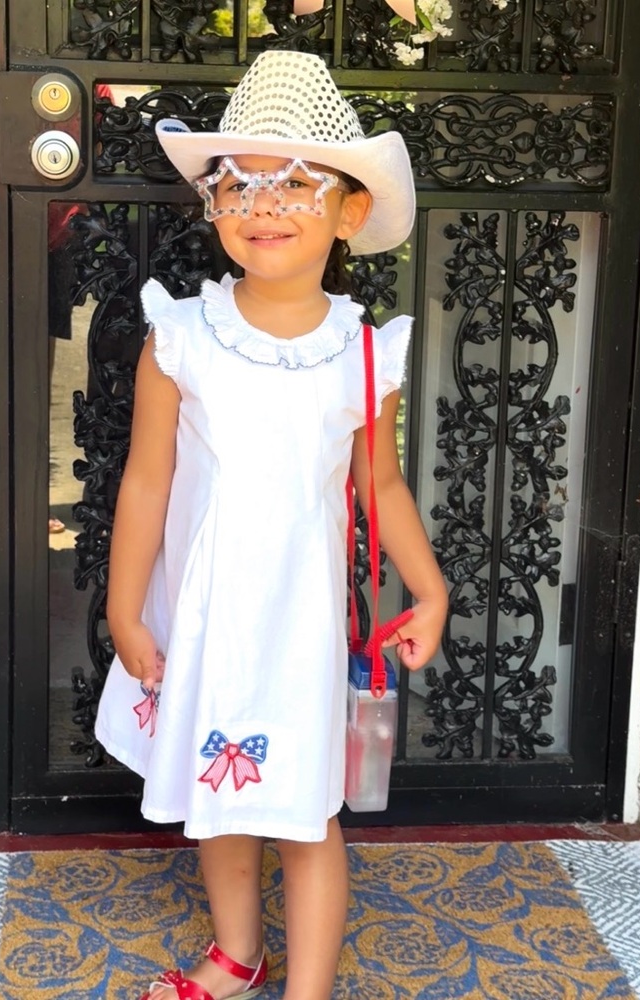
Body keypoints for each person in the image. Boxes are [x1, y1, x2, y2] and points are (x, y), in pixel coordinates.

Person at [95, 50, 449, 1000]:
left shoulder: (365, 355)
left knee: (304, 812)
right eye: (239, 184)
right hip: (207, 621)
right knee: (221, 807)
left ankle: (309, 989)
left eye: (297, 183)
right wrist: (126, 612)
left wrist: (432, 586)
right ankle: (236, 952)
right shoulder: (182, 338)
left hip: (298, 628)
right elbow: (144, 483)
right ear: (214, 208)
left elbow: (382, 485)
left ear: (349, 212)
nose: (266, 204)